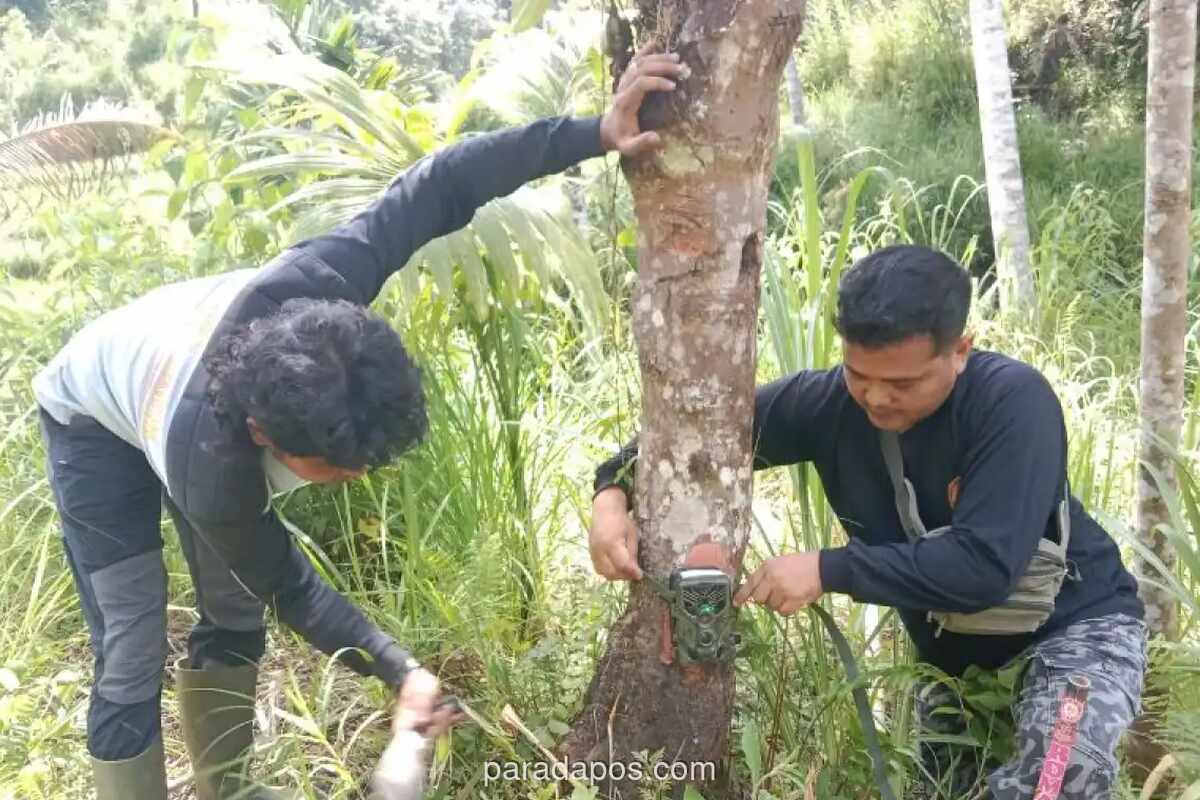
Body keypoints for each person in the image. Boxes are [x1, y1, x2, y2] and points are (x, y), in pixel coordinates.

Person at [32, 48, 686, 800]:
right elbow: (289, 584)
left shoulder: (323, 282)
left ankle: (225, 788)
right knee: (132, 637)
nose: (359, 479)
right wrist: (398, 667)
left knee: (232, 607)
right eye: (341, 468)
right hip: (92, 417)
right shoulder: (213, 465)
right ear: (265, 435)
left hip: (178, 369)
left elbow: (440, 185)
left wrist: (591, 133)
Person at [588, 245, 1147, 799]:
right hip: (952, 672)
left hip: (1075, 637)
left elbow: (984, 567)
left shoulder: (1012, 404)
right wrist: (611, 496)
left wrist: (828, 569)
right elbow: (693, 443)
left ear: (960, 351)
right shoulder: (830, 403)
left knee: (1056, 784)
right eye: (859, 374)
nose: (875, 398)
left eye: (902, 384)